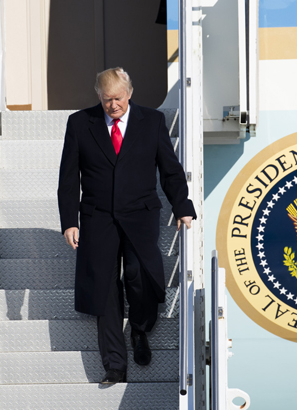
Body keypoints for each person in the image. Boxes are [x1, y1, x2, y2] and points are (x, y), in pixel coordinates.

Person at [57, 67, 196, 385]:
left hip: (140, 214)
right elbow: (68, 178)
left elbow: (170, 170)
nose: (113, 106)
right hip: (97, 218)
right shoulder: (80, 123)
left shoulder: (152, 121)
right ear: (99, 96)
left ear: (130, 93)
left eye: (118, 98)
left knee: (140, 277)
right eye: (106, 100)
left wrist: (182, 207)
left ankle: (140, 329)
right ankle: (115, 366)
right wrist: (69, 222)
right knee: (105, 288)